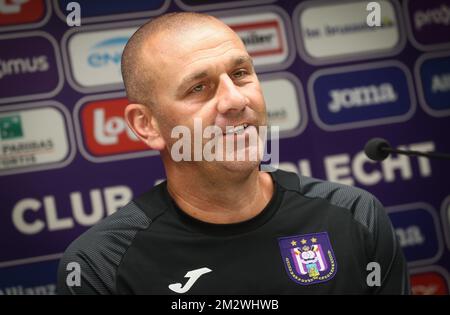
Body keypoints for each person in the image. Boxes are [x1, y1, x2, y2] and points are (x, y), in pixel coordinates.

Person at [57, 12, 409, 295]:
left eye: (240, 74)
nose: (236, 100)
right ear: (146, 124)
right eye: (199, 87)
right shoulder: (100, 264)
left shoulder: (355, 215)